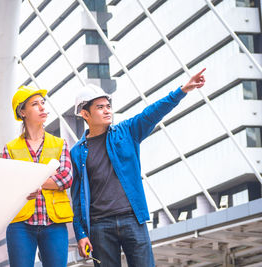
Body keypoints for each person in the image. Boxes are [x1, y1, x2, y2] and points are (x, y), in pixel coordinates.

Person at [70, 69, 206, 266]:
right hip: (100, 226)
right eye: (100, 107)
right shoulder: (77, 152)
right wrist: (81, 233)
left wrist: (183, 90)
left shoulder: (127, 131)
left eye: (108, 106)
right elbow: (77, 198)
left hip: (132, 218)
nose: (108, 110)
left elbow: (152, 112)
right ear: (85, 113)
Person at [2, 85, 73, 267]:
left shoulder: (59, 143)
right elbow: (7, 184)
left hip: (54, 223)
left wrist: (27, 180)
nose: (42, 107)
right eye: (35, 104)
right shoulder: (10, 149)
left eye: (42, 103)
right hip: (21, 224)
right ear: (23, 112)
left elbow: (66, 178)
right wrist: (49, 177)